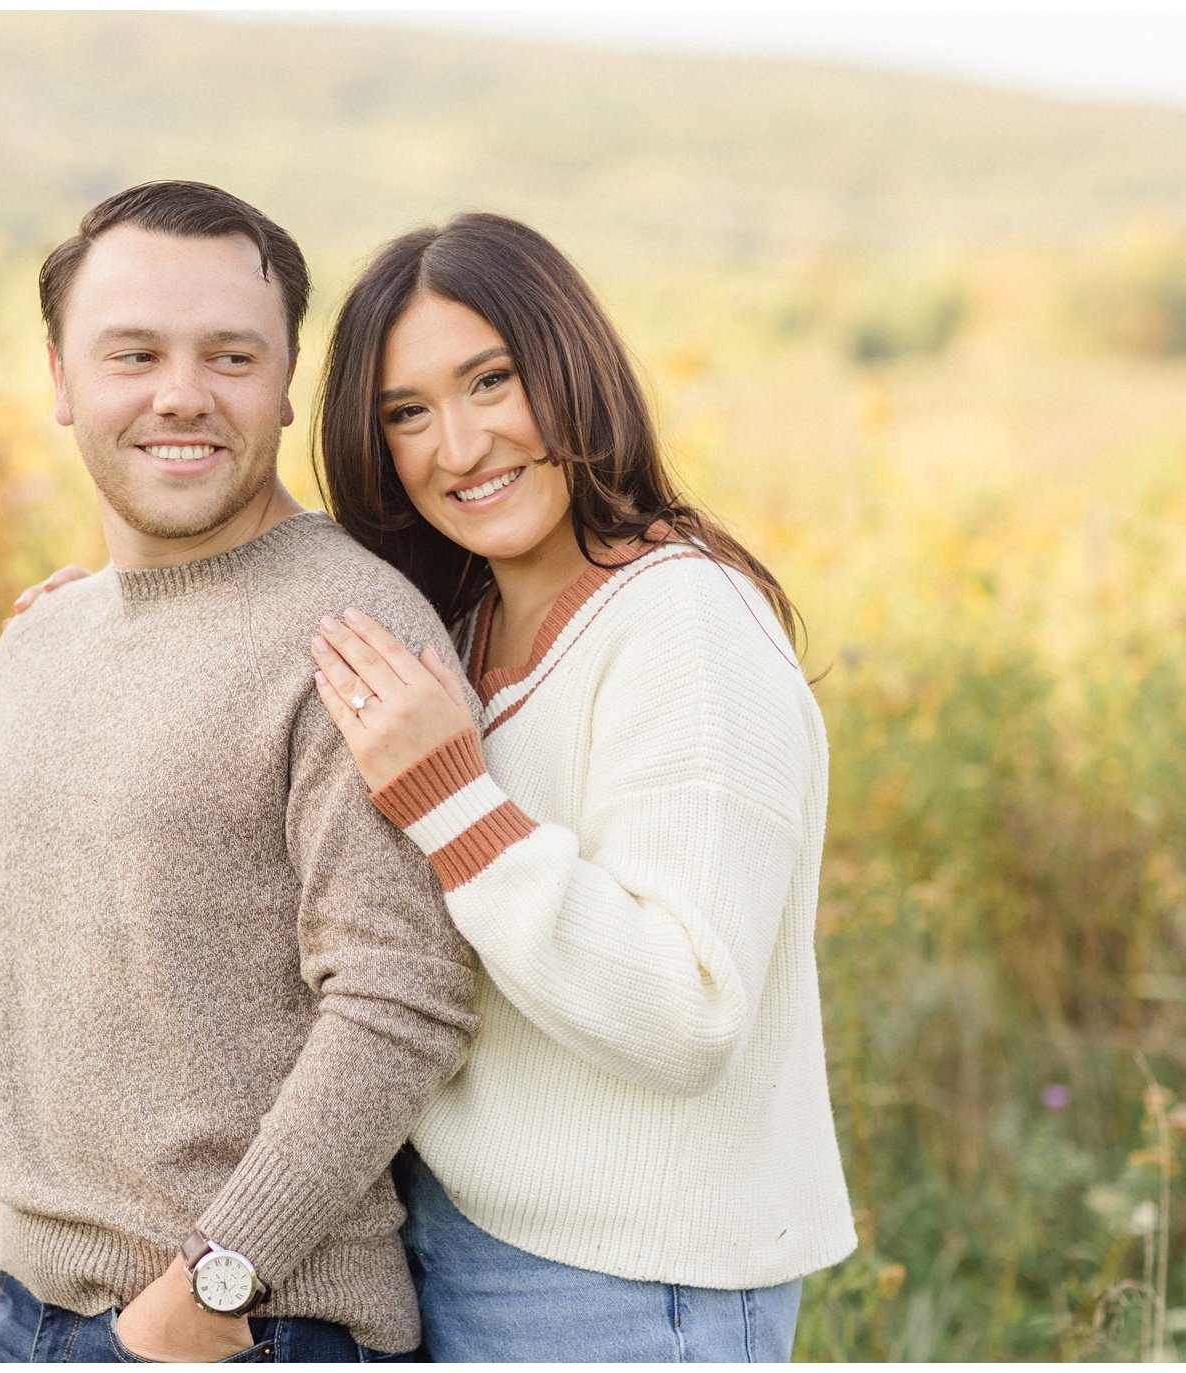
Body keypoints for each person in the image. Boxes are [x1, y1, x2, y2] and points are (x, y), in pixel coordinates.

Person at [303, 212, 858, 1361]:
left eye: (490, 381)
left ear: (569, 366)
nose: (457, 445)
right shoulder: (453, 624)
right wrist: (126, 600)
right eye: (406, 413)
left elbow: (685, 1007)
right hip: (457, 1241)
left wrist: (454, 801)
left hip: (628, 1287)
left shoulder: (680, 617)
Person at [0, 181, 480, 1365]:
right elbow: (14, 994)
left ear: (285, 379)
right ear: (59, 377)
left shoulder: (352, 633)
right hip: (24, 1313)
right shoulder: (41, 640)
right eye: (132, 351)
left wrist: (207, 1291)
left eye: (228, 355)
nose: (180, 393)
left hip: (248, 1325)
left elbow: (404, 996)